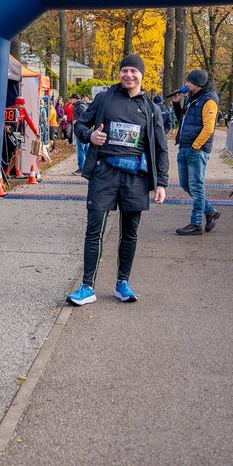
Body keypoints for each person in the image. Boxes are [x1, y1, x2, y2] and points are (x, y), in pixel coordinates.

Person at [67, 54, 168, 306]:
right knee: (94, 229)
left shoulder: (151, 109)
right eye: (125, 70)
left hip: (135, 177)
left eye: (134, 71)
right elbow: (80, 125)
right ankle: (87, 286)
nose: (128, 75)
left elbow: (161, 148)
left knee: (130, 232)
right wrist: (90, 136)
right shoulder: (105, 98)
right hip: (104, 173)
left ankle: (123, 283)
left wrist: (161, 183)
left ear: (142, 75)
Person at [171, 69, 220, 236]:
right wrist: (176, 104)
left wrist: (196, 146)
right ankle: (210, 211)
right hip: (185, 146)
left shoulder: (209, 100)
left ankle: (196, 223)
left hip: (196, 150)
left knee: (197, 186)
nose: (186, 84)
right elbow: (184, 120)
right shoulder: (192, 97)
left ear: (197, 84)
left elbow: (209, 128)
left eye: (189, 82)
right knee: (186, 184)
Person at [72, 94, 91, 176]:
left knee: (81, 149)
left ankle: (81, 168)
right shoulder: (82, 105)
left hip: (81, 130)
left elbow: (84, 117)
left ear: (75, 99)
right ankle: (89, 168)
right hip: (85, 130)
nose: (71, 101)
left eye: (72, 99)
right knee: (86, 150)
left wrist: (77, 122)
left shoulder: (80, 106)